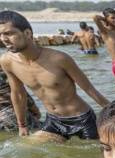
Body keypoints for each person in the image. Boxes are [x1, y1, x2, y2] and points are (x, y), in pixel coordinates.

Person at [0, 11, 109, 140]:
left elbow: (89, 89)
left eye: (9, 33)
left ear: (27, 33)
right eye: (0, 34)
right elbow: (18, 94)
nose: (3, 39)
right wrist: (22, 125)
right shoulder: (7, 61)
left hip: (82, 119)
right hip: (53, 120)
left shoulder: (59, 58)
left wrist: (114, 112)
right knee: (28, 150)